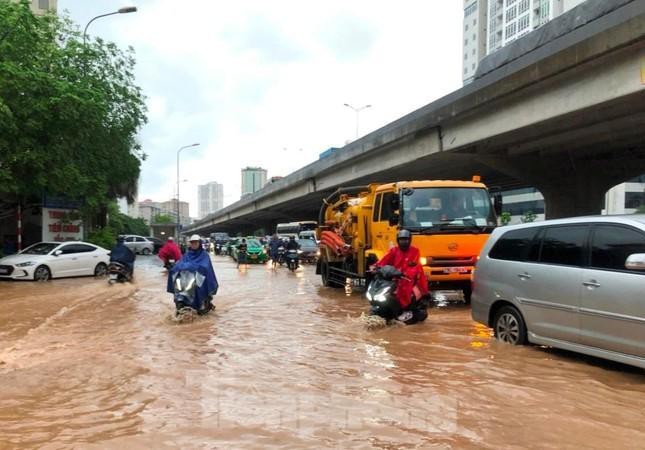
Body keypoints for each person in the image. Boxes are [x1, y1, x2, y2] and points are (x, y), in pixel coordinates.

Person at [374, 229, 429, 323]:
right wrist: (376, 267)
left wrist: (405, 273)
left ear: (410, 240)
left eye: (406, 240)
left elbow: (413, 265)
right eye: (402, 240)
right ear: (398, 240)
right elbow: (383, 261)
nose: (404, 242)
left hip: (408, 278)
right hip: (394, 277)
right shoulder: (394, 250)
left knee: (405, 290)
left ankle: (404, 310)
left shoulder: (414, 251)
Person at [167, 234, 218, 312]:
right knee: (177, 286)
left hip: (199, 278)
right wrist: (175, 268)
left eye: (196, 242)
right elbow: (181, 263)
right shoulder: (187, 254)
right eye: (192, 242)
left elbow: (205, 266)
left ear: (199, 243)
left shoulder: (204, 255)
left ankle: (203, 303)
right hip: (185, 279)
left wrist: (195, 267)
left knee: (198, 288)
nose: (194, 244)